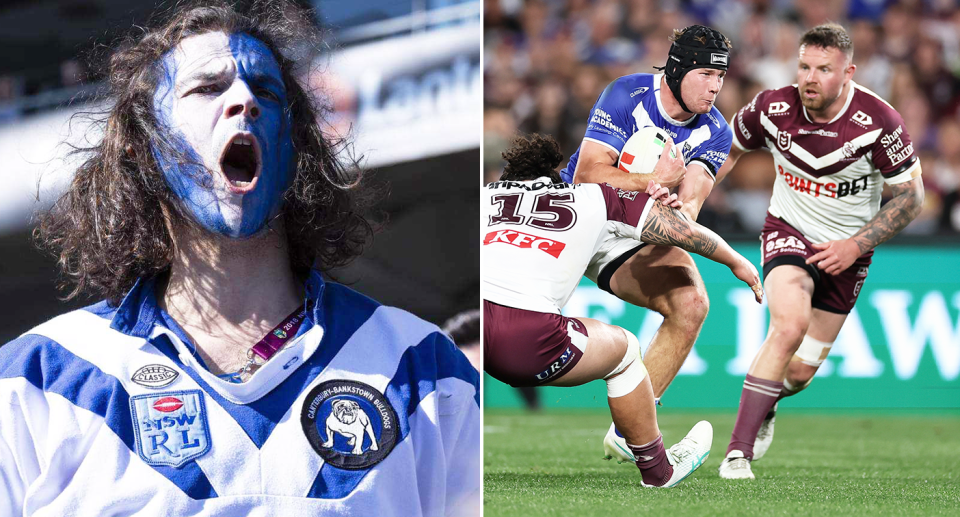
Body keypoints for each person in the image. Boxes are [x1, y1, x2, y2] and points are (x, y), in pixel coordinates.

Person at [0, 2, 480, 515]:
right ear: (142, 144)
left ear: (293, 145)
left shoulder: (425, 369)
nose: (244, 101)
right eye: (207, 88)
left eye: (267, 92)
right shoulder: (39, 377)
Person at [482, 133, 763, 488]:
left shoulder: (485, 195)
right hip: (526, 337)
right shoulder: (596, 196)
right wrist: (736, 261)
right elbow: (681, 231)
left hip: (472, 331)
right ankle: (659, 470)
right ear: (557, 177)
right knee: (627, 351)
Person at [715, 23, 924, 480]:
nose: (810, 77)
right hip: (788, 231)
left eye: (824, 69)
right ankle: (737, 454)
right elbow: (726, 146)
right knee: (788, 325)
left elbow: (912, 198)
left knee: (800, 374)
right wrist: (695, 198)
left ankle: (766, 401)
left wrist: (856, 245)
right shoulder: (773, 106)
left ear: (848, 72)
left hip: (848, 251)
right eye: (804, 66)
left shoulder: (879, 123)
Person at [560, 25, 735, 460]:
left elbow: (689, 207)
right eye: (705, 75)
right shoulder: (627, 94)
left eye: (721, 77)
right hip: (575, 215)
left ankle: (629, 430)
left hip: (633, 231)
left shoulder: (716, 132)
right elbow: (588, 174)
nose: (714, 87)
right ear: (677, 69)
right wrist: (651, 180)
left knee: (691, 303)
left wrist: (675, 207)